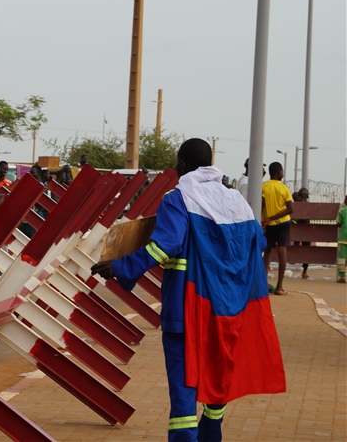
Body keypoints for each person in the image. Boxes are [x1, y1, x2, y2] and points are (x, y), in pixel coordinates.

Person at [91, 138, 285, 442]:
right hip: (227, 308)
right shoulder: (236, 200)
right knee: (217, 376)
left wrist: (122, 266)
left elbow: (165, 246)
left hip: (186, 307)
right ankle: (211, 435)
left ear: (182, 165)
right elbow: (257, 243)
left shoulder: (179, 198)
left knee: (184, 387)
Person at [261, 162, 293, 296]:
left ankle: (263, 284)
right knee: (282, 251)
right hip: (283, 223)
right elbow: (290, 209)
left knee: (267, 251)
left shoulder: (264, 186)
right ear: (279, 173)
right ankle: (279, 287)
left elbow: (262, 205)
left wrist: (267, 219)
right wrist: (274, 218)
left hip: (269, 224)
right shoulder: (284, 188)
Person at [292, 188, 310, 279]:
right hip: (298, 229)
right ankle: (294, 260)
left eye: (303, 196)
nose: (301, 198)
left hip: (306, 230)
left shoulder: (307, 205)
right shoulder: (296, 205)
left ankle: (305, 270)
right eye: (300, 196)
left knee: (306, 250)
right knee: (296, 247)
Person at [336, 196, 346, 284]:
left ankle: (342, 277)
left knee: (342, 257)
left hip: (343, 236)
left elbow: (338, 223)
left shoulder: (342, 211)